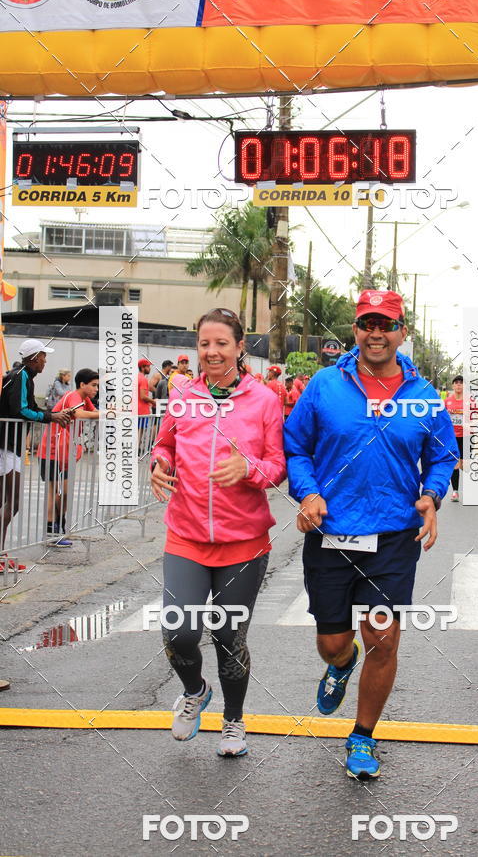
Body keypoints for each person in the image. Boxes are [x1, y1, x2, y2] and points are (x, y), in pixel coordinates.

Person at [284, 290, 456, 781]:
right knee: (333, 642)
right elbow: (296, 446)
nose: (375, 333)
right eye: (367, 324)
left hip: (393, 535)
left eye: (386, 324)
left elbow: (444, 454)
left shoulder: (423, 395)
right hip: (332, 532)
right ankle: (340, 665)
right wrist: (308, 492)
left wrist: (432, 494)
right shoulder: (323, 385)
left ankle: (362, 736)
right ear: (356, 331)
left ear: (403, 332)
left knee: (383, 637)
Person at [151, 307, 286, 757]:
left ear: (239, 346)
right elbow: (164, 444)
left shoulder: (264, 399)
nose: (211, 351)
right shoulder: (182, 394)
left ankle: (233, 721)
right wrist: (159, 465)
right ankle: (195, 691)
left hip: (243, 542)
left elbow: (277, 468)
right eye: (204, 344)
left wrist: (248, 469)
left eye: (221, 343)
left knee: (229, 636)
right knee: (179, 632)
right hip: (186, 535)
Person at [0, 339, 72, 571]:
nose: (45, 360)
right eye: (43, 356)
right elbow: (21, 409)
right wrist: (52, 417)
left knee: (7, 502)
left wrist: (52, 414)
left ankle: (1, 554)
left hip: (11, 445)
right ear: (33, 358)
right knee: (13, 501)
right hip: (6, 445)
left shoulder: (23, 376)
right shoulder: (20, 375)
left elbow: (29, 407)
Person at [37, 369, 100, 547]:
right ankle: (51, 532)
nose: (96, 389)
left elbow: (93, 412)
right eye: (94, 385)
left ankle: (59, 528)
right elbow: (81, 415)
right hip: (52, 449)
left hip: (63, 451)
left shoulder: (84, 399)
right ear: (82, 385)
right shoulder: (73, 396)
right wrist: (108, 414)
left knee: (64, 492)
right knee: (55, 492)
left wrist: (112, 411)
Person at [444, 375, 464, 503]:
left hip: (466, 436)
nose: (458, 385)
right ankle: (455, 492)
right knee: (455, 464)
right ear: (453, 386)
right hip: (452, 437)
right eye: (456, 383)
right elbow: (442, 418)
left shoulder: (470, 402)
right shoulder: (447, 401)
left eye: (461, 383)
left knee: (464, 465)